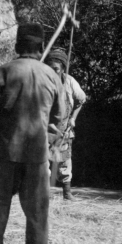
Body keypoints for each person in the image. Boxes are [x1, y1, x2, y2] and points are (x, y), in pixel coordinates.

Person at [0, 23, 66, 244]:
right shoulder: (52, 76)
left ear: (17, 46)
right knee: (38, 208)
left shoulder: (4, 72)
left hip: (4, 151)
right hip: (36, 154)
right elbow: (59, 119)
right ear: (42, 47)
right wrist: (47, 143)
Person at [45, 48, 87, 200]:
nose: (52, 71)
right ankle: (44, 193)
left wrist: (73, 118)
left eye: (55, 69)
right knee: (43, 162)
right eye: (49, 68)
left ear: (63, 68)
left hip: (63, 129)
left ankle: (67, 193)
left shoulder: (69, 82)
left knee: (64, 161)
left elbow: (81, 100)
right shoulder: (43, 82)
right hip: (45, 128)